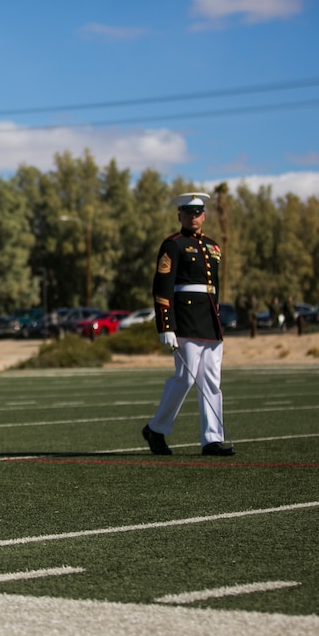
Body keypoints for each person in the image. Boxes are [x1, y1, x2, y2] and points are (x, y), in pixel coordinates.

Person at [142, 193, 234, 457]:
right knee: (185, 378)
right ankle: (156, 429)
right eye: (188, 212)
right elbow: (163, 286)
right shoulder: (173, 244)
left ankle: (212, 440)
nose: (193, 217)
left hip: (209, 320)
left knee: (211, 381)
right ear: (179, 215)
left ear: (204, 215)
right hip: (185, 318)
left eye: (198, 212)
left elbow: (212, 287)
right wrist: (166, 325)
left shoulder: (213, 247)